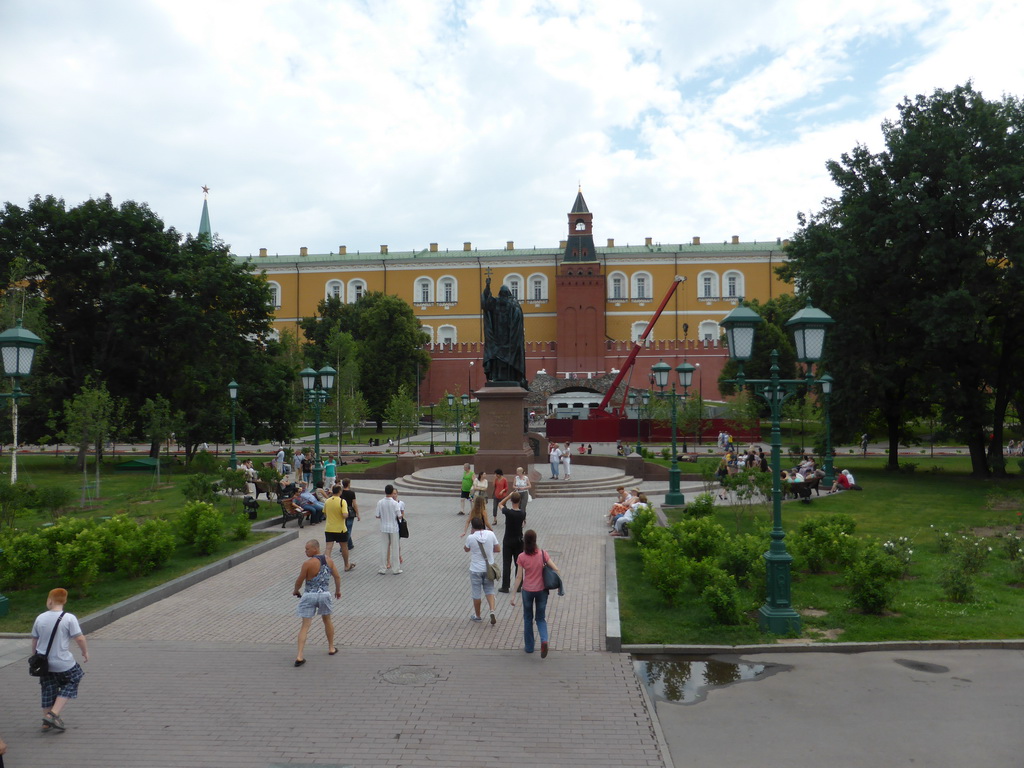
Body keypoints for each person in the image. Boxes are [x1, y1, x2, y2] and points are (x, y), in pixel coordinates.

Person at [31, 588, 88, 732]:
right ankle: (53, 714)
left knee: (48, 688)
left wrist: (35, 656)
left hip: (44, 663)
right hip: (63, 662)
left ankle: (45, 722)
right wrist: (85, 652)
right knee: (74, 679)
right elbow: (79, 638)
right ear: (65, 601)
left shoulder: (40, 618)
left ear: (50, 600)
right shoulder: (69, 618)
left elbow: (34, 640)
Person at [509, 530, 560, 657]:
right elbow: (556, 569)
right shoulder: (543, 554)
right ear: (536, 540)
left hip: (527, 591)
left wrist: (514, 594)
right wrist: (559, 585)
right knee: (540, 618)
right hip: (542, 591)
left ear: (525, 541)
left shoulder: (521, 557)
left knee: (527, 618)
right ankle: (544, 640)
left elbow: (519, 577)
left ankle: (529, 647)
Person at [292, 539, 341, 666]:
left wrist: (296, 590)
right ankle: (331, 647)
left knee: (305, 625)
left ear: (315, 549)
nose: (305, 551)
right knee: (327, 620)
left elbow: (300, 580)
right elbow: (337, 576)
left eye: (307, 549)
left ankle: (299, 655)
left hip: (309, 595)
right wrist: (338, 591)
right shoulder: (329, 560)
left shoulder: (307, 563)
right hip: (324, 594)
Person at [481, 276, 526, 387]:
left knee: (509, 360)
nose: (503, 295)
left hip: (510, 338)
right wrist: (487, 286)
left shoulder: (513, 305)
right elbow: (486, 303)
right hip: (497, 338)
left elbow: (518, 318)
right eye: (502, 293)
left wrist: (513, 333)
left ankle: (511, 377)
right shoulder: (496, 303)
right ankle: (496, 377)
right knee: (497, 358)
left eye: (505, 293)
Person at [464, 516, 501, 624]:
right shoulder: (491, 534)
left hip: (475, 569)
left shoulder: (471, 537)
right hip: (488, 568)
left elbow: (466, 549)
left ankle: (478, 615)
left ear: (472, 526)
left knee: (476, 592)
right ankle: (492, 610)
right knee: (489, 590)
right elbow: (498, 549)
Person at [498, 492, 526, 593]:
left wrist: (508, 496)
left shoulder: (508, 512)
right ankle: (518, 586)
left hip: (508, 541)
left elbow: (500, 504)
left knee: (506, 563)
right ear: (519, 501)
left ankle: (505, 586)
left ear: (511, 501)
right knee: (518, 563)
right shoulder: (523, 513)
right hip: (519, 541)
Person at [324, 484, 354, 571]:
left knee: (328, 548)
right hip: (340, 529)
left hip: (329, 528)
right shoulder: (342, 501)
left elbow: (325, 513)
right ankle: (346, 565)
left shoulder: (327, 501)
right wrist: (347, 514)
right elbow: (345, 515)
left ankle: (326, 567)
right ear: (340, 492)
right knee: (344, 547)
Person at [375, 484, 403, 574]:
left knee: (384, 548)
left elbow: (377, 515)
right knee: (395, 548)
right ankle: (396, 569)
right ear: (392, 492)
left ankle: (382, 568)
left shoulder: (380, 502)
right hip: (394, 528)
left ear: (385, 492)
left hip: (383, 527)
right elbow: (399, 516)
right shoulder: (395, 503)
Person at [340, 477, 360, 551]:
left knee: (345, 528)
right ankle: (344, 546)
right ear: (348, 484)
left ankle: (350, 544)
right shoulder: (352, 493)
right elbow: (354, 504)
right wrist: (358, 513)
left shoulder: (340, 493)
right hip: (350, 512)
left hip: (342, 512)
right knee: (348, 529)